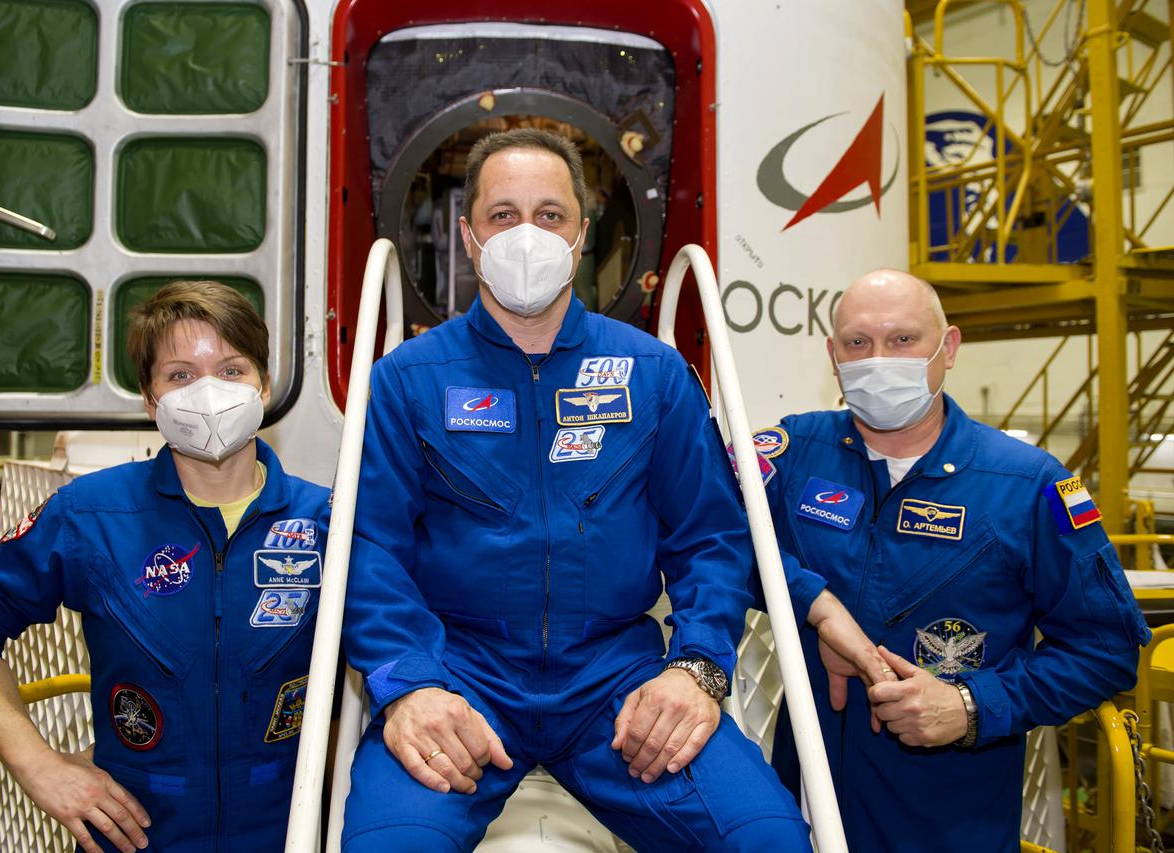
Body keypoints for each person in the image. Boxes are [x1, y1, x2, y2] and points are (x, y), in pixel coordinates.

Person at [338, 128, 887, 851]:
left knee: (768, 838)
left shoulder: (652, 374)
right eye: (503, 216)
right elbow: (370, 550)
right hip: (458, 674)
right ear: (469, 238)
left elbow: (712, 540)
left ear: (582, 235)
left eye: (550, 215)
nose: (526, 236)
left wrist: (695, 667)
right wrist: (408, 683)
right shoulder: (406, 380)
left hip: (614, 679)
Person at [0, 281, 330, 853]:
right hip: (136, 832)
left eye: (232, 370)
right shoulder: (89, 515)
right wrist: (37, 765)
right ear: (150, 399)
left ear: (264, 386)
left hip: (290, 830)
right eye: (181, 375)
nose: (209, 393)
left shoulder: (329, 523)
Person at [758, 269, 1150, 852]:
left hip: (948, 822)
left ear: (949, 348)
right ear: (832, 356)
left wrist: (971, 706)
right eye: (858, 343)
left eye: (903, 339)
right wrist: (813, 605)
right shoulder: (791, 453)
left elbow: (1106, 650)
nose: (878, 360)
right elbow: (713, 539)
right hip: (803, 809)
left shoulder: (1028, 484)